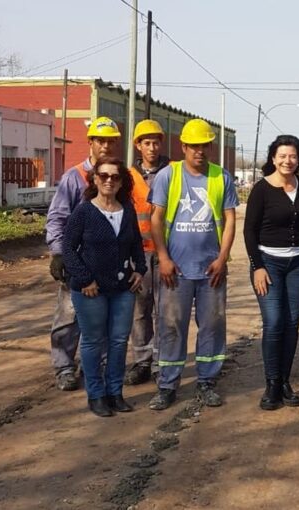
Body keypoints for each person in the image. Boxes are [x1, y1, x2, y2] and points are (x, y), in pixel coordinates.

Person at [148, 119, 239, 411]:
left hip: (211, 269)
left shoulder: (220, 177)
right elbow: (156, 219)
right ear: (184, 147)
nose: (200, 151)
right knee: (171, 326)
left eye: (204, 146)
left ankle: (207, 382)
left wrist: (222, 258)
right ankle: (167, 384)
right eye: (194, 146)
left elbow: (229, 220)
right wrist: (163, 258)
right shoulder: (168, 175)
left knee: (212, 325)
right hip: (176, 270)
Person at [62, 157, 146, 417]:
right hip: (91, 290)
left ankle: (115, 393)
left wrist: (140, 270)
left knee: (119, 341)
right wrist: (85, 279)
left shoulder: (127, 210)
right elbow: (68, 249)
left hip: (122, 289)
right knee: (93, 341)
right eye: (104, 175)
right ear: (95, 179)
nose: (109, 180)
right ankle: (96, 395)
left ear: (122, 182)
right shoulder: (84, 212)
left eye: (115, 176)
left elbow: (135, 246)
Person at [46, 116, 121, 391]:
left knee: (103, 318)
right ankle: (64, 367)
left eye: (111, 141)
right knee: (69, 315)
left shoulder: (119, 176)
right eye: (101, 140)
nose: (106, 145)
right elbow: (57, 218)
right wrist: (58, 253)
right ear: (90, 142)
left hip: (108, 262)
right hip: (77, 260)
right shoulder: (74, 177)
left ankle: (96, 367)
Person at [243, 135, 299, 411]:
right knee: (274, 322)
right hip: (268, 263)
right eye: (282, 156)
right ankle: (271, 384)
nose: (288, 161)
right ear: (273, 158)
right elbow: (249, 230)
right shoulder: (262, 189)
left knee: (291, 323)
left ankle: (285, 381)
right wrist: (257, 266)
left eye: (293, 156)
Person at [124, 119, 172, 386]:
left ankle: (161, 362)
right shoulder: (127, 177)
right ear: (138, 145)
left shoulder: (175, 172)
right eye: (147, 143)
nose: (152, 148)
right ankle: (142, 361)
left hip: (166, 252)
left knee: (165, 310)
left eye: (156, 142)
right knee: (140, 311)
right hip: (138, 254)